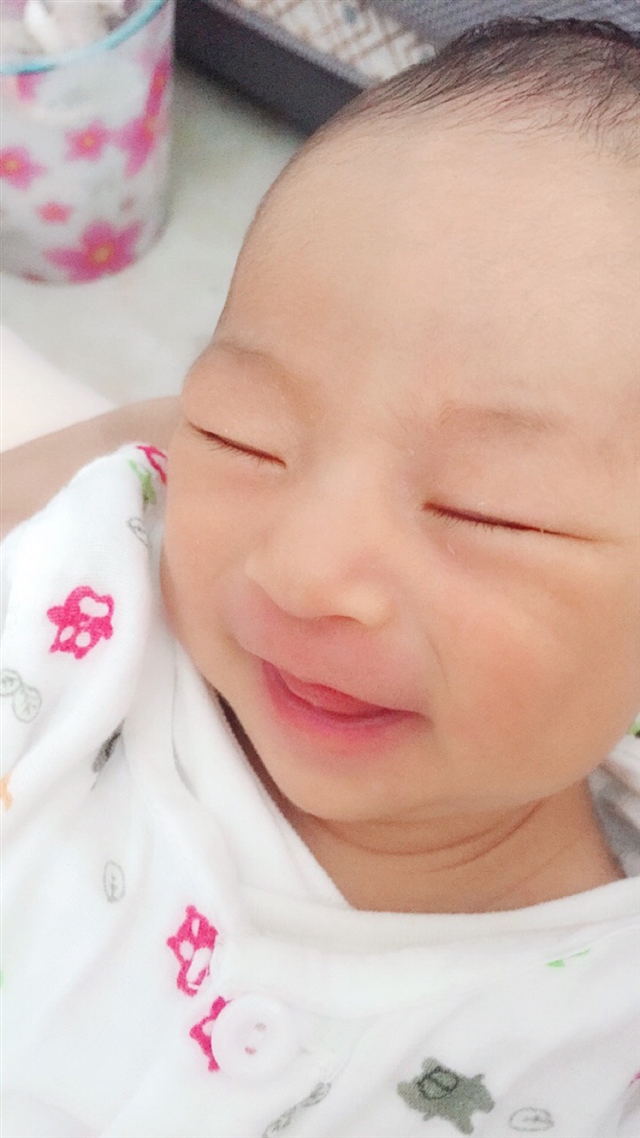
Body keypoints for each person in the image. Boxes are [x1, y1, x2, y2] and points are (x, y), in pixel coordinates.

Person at [1, 16, 639, 1138]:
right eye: (246, 433)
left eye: (487, 509)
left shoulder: (600, 1041)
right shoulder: (100, 589)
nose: (303, 571)